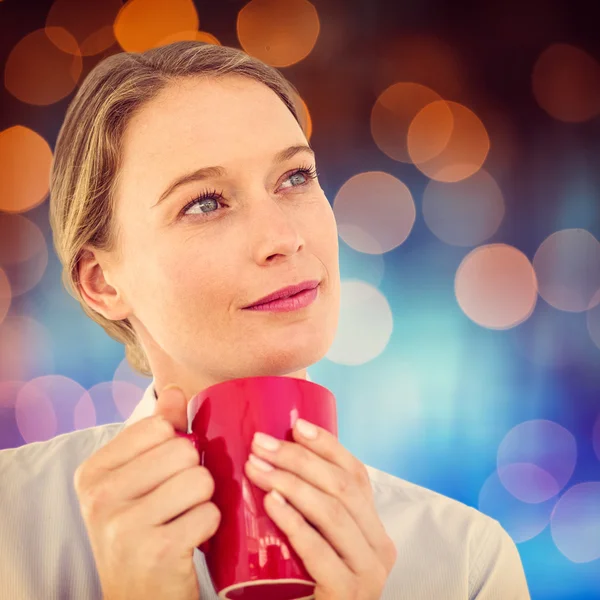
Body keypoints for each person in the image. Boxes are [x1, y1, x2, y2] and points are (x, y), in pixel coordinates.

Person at [0, 41, 531, 599]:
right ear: (103, 283)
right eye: (205, 203)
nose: (284, 237)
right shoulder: (12, 521)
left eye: (295, 178)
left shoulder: (465, 562)